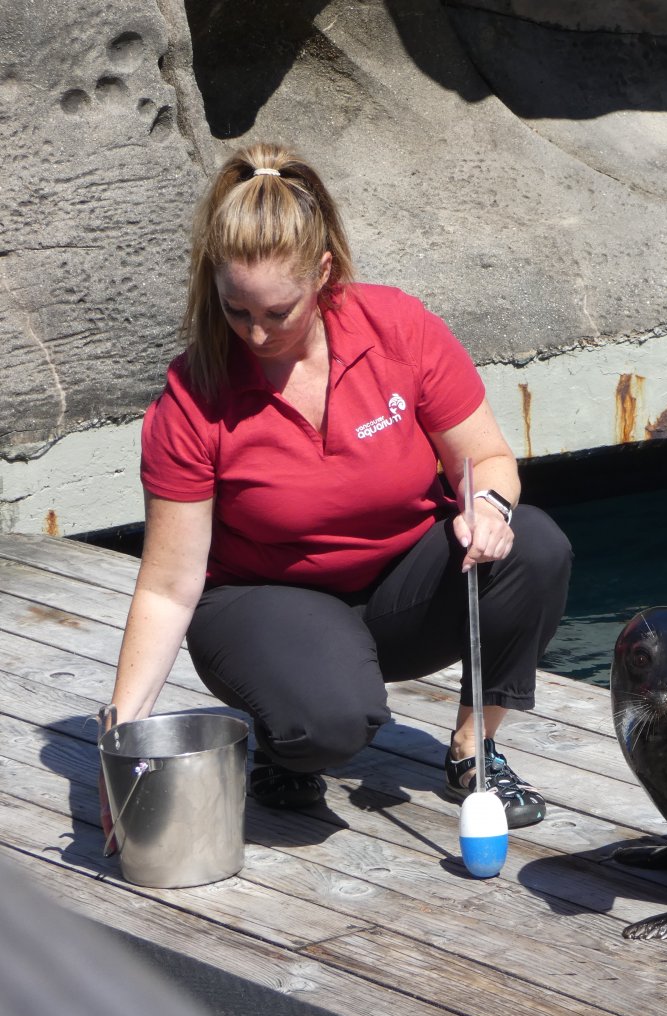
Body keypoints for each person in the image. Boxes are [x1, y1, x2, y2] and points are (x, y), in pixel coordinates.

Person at [103, 142, 572, 840]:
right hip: (263, 603)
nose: (255, 333)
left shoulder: (398, 329)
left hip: (397, 593)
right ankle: (289, 734)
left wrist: (488, 507)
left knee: (534, 543)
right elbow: (169, 587)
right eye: (236, 310)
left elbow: (488, 459)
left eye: (277, 312)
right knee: (329, 722)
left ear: (323, 273)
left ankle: (474, 752)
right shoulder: (193, 399)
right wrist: (119, 744)